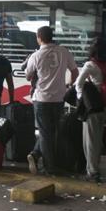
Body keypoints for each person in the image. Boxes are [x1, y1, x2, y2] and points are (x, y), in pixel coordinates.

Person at [24, 26, 78, 175]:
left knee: (45, 133)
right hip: (59, 98)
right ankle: (35, 154)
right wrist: (68, 86)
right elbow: (75, 71)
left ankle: (49, 167)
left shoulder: (36, 55)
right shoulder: (64, 51)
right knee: (52, 132)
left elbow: (28, 76)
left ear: (39, 38)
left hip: (41, 99)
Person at [75, 37, 106, 183]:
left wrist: (81, 98)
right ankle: (94, 168)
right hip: (105, 106)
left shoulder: (90, 65)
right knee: (97, 139)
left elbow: (78, 84)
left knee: (90, 140)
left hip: (93, 107)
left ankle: (92, 172)